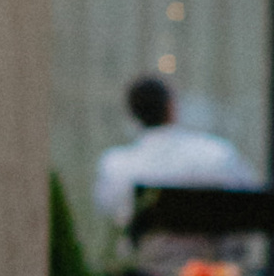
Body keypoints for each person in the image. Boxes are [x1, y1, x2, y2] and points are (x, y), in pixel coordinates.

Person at [93, 75, 261, 230]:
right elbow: (251, 201)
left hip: (146, 259)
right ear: (171, 107)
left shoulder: (115, 166)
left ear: (132, 114)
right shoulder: (216, 153)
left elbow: (108, 209)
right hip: (212, 260)